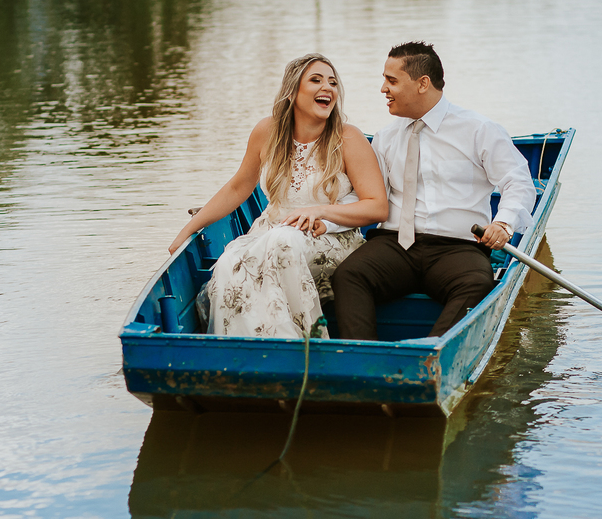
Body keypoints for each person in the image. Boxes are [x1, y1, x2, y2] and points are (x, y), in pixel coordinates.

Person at [168, 54, 387, 338]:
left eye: (333, 83)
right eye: (316, 80)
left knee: (284, 243)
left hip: (330, 237)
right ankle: (246, 351)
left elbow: (377, 207)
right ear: (293, 91)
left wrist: (321, 211)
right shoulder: (267, 132)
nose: (328, 88)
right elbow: (237, 187)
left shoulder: (347, 138)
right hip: (270, 230)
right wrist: (187, 230)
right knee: (227, 265)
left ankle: (306, 344)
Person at [331, 42, 536, 340]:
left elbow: (517, 182)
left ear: (422, 84)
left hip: (457, 246)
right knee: (349, 275)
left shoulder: (479, 129)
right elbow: (368, 196)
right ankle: (363, 359)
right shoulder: (386, 137)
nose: (382, 89)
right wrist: (324, 216)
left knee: (477, 284)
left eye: (391, 81)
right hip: (395, 244)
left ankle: (431, 356)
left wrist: (503, 223)